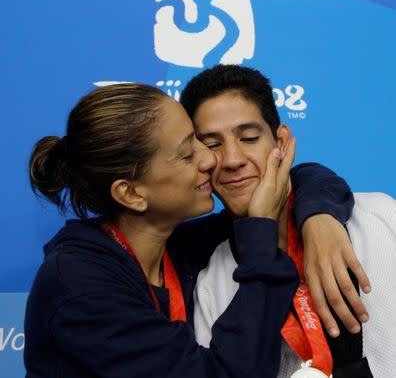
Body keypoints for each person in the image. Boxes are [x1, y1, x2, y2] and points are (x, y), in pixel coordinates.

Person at [25, 82, 357, 378]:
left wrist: (318, 218)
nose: (212, 161)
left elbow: (301, 179)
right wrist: (262, 232)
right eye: (188, 153)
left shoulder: (171, 245)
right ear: (131, 193)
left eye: (200, 142)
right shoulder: (81, 288)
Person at [181, 65, 396, 377]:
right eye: (212, 144)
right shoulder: (207, 276)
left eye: (249, 137)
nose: (232, 160)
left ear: (281, 141)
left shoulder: (380, 217)